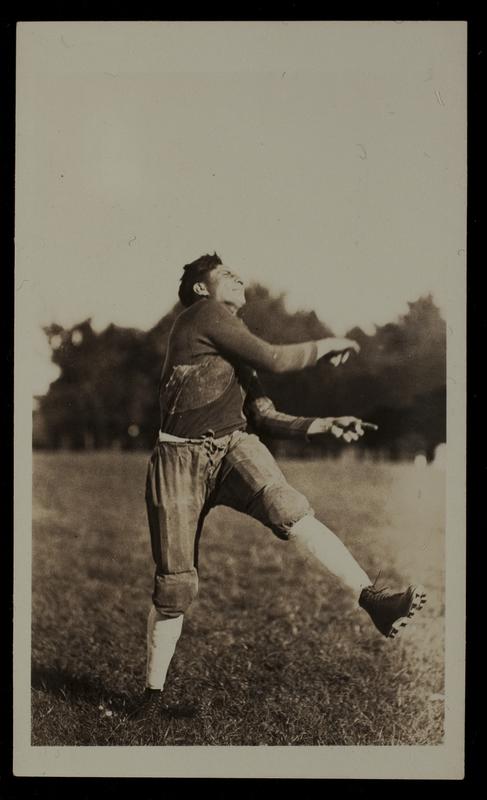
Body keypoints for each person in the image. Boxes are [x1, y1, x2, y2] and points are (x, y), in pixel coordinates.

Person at [134, 253, 426, 722]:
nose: (238, 276)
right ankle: (151, 699)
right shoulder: (203, 315)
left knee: (290, 509)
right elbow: (275, 358)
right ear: (202, 289)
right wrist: (327, 343)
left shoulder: (230, 335)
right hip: (178, 458)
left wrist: (324, 424)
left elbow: (264, 416)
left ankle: (374, 599)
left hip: (232, 445)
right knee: (175, 585)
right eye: (225, 274)